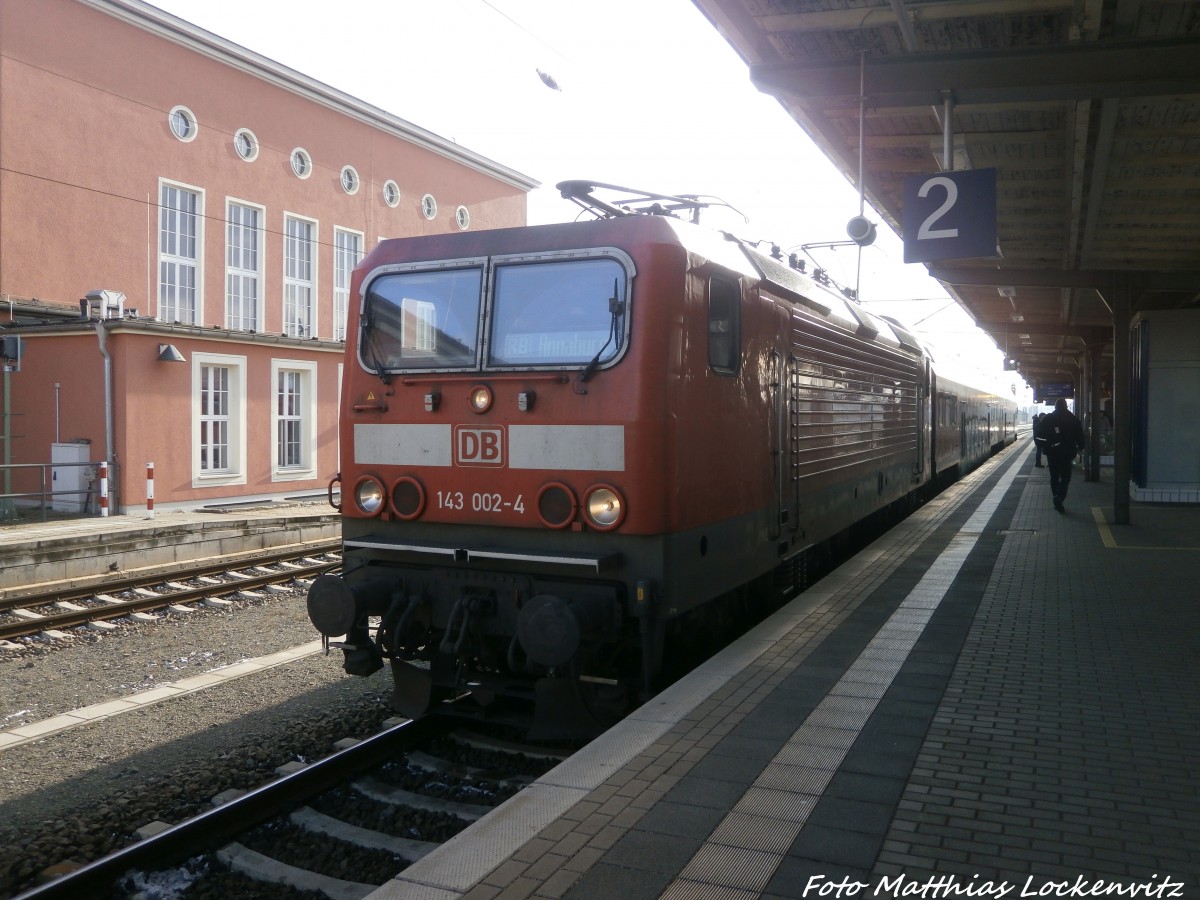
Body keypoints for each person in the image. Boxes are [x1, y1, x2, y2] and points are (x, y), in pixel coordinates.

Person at [1037, 399, 1085, 512]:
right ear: (1066, 406)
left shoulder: (1048, 418)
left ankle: (1055, 495)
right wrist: (1081, 447)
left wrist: (1044, 445)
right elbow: (1080, 435)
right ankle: (1059, 498)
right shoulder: (1072, 418)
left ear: (1055, 406)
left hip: (1052, 452)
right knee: (1065, 478)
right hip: (1067, 453)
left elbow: (1039, 431)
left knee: (1054, 476)